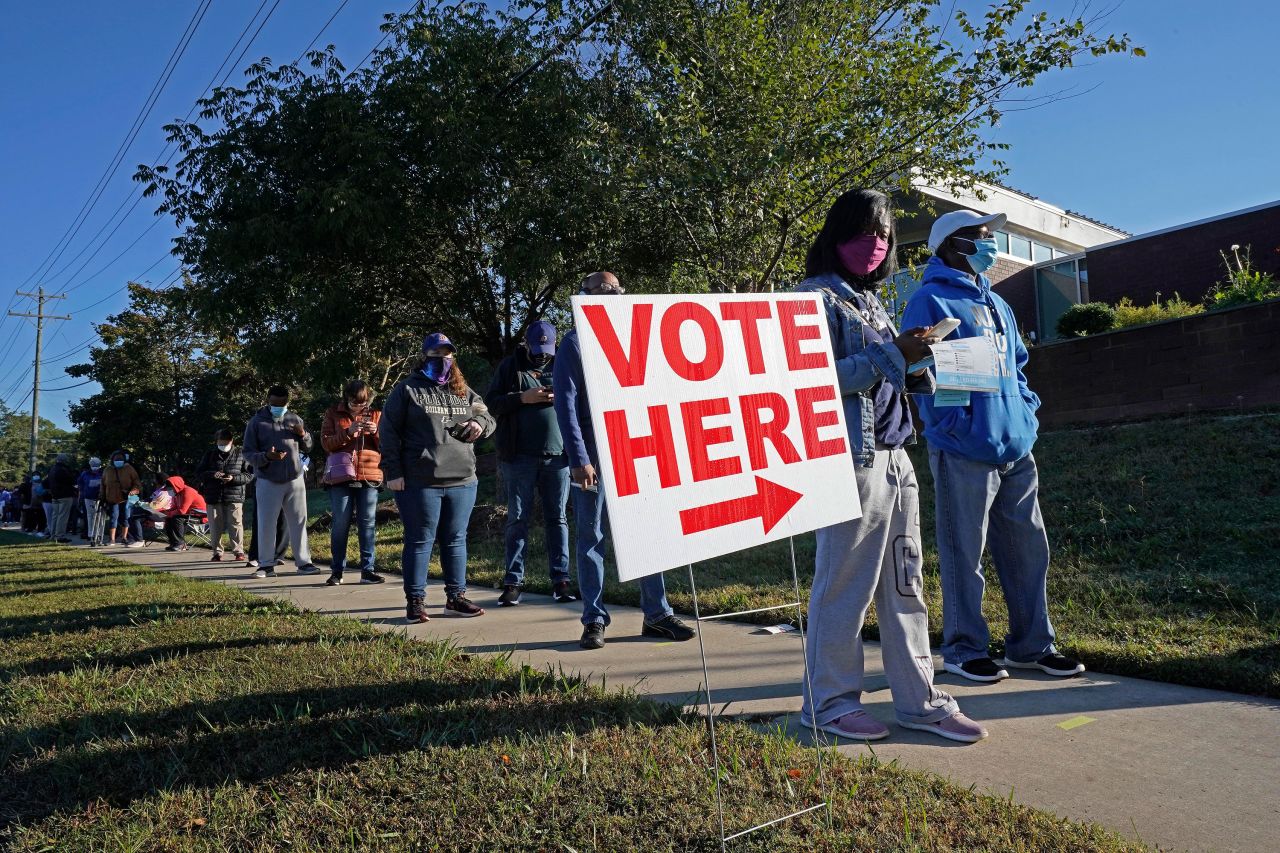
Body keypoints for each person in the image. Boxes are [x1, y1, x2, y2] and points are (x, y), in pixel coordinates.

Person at [793, 189, 986, 743]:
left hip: (898, 455)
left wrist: (916, 365)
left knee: (907, 581)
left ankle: (919, 697)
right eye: (863, 233)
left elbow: (882, 375)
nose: (875, 245)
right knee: (844, 585)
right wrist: (893, 356)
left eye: (884, 236)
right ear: (835, 236)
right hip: (851, 461)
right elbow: (818, 385)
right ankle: (827, 701)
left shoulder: (872, 302)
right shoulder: (813, 299)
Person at [902, 209, 1086, 683]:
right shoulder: (930, 300)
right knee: (965, 552)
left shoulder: (999, 304)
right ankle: (965, 649)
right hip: (964, 450)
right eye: (979, 237)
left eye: (989, 237)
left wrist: (1026, 412)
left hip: (1016, 447)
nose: (989, 245)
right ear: (951, 245)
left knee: (1028, 551)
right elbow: (922, 372)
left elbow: (1018, 366)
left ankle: (1032, 646)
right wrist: (957, 426)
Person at [553, 272, 696, 650]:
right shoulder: (574, 344)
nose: (609, 297)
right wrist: (580, 458)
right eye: (599, 292)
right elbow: (565, 407)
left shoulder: (640, 338)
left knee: (650, 534)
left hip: (639, 453)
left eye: (615, 291)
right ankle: (594, 620)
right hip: (595, 459)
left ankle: (657, 615)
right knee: (591, 539)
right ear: (582, 297)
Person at [380, 332, 496, 622]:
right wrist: (393, 471)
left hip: (463, 479)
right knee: (420, 540)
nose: (442, 359)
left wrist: (479, 424)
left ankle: (456, 598)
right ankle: (416, 601)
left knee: (456, 540)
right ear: (424, 357)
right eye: (436, 354)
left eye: (447, 354)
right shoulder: (407, 390)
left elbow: (488, 417)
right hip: (421, 481)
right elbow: (388, 431)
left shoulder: (463, 391)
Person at [484, 320, 575, 606]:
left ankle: (561, 580)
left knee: (557, 519)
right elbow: (492, 403)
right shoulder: (510, 366)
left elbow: (582, 399)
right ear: (526, 343)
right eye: (537, 349)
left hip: (558, 456)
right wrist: (522, 398)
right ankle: (513, 582)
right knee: (517, 519)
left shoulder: (565, 362)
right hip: (518, 456)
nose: (542, 355)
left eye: (547, 349)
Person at [242, 386, 322, 577]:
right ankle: (266, 565)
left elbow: (309, 447)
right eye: (275, 404)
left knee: (299, 521)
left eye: (283, 404)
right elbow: (248, 453)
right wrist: (267, 457)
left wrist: (304, 435)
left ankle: (304, 563)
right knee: (266, 523)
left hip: (295, 479)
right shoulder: (256, 422)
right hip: (267, 480)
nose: (279, 407)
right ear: (268, 400)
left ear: (288, 401)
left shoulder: (295, 419)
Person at [320, 380, 387, 586]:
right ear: (346, 398)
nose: (359, 407)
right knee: (340, 524)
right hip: (341, 476)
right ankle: (337, 571)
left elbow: (388, 444)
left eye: (363, 403)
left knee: (367, 524)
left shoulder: (376, 414)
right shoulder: (333, 413)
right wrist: (349, 432)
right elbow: (326, 443)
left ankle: (368, 571)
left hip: (370, 475)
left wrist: (375, 431)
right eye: (354, 403)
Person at [196, 429, 252, 562]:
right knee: (215, 526)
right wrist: (212, 475)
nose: (223, 445)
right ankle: (217, 552)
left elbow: (249, 475)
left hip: (235, 495)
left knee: (236, 524)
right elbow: (199, 473)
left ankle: (239, 551)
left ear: (231, 441)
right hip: (213, 496)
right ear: (216, 442)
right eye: (220, 443)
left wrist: (233, 478)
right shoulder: (209, 455)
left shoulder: (241, 454)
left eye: (225, 443)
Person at [100, 450, 142, 546]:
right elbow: (103, 484)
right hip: (112, 498)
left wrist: (133, 491)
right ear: (112, 460)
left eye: (120, 459)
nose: (118, 461)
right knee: (113, 518)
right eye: (116, 459)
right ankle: (112, 539)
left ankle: (124, 537)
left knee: (126, 518)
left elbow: (137, 483)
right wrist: (102, 497)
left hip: (126, 498)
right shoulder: (107, 470)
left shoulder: (129, 469)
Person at [157, 475, 206, 552]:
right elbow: (175, 507)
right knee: (169, 519)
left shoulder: (188, 492)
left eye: (171, 488)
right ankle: (173, 543)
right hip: (188, 514)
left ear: (176, 486)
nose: (169, 491)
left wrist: (169, 513)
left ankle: (180, 544)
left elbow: (182, 511)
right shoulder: (177, 494)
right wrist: (164, 511)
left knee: (177, 518)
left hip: (200, 516)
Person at [46, 454, 78, 543]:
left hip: (54, 495)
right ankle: (59, 536)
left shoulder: (52, 469)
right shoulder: (64, 469)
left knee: (55, 516)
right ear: (64, 460)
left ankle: (53, 535)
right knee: (62, 516)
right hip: (65, 495)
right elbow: (71, 480)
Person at [77, 458, 105, 545]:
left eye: (96, 465)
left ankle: (100, 535)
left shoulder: (103, 473)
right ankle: (91, 534)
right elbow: (80, 483)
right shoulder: (85, 474)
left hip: (101, 498)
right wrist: (83, 491)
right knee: (90, 516)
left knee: (101, 517)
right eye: (93, 465)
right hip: (88, 497)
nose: (95, 467)